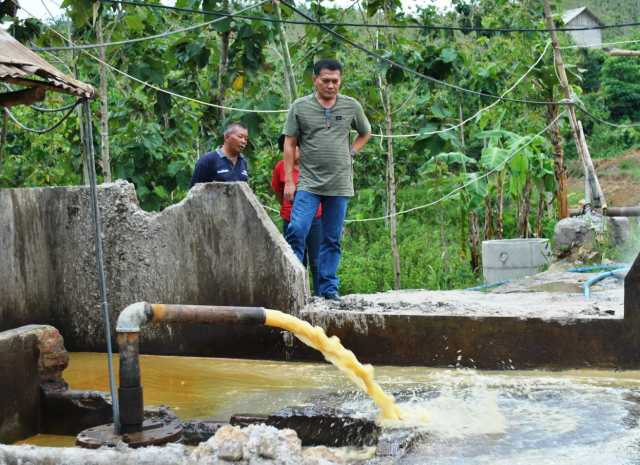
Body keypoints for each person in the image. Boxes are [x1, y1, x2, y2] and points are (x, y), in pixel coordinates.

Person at [282, 59, 372, 301]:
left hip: (340, 183)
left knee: (332, 238)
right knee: (297, 230)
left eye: (335, 81)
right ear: (315, 80)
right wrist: (290, 181)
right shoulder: (300, 107)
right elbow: (289, 143)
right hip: (308, 183)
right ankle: (293, 282)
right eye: (326, 81)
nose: (331, 85)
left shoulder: (351, 105)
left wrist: (351, 151)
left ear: (340, 81)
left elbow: (366, 132)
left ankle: (328, 289)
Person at [271, 135, 323, 296]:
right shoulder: (280, 168)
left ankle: (321, 294)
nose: (296, 150)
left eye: (298, 146)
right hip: (290, 219)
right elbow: (278, 192)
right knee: (296, 258)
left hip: (316, 218)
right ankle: (298, 294)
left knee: (317, 259)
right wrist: (287, 207)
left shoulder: (314, 167)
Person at [190, 123, 249, 187]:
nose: (244, 141)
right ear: (226, 137)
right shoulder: (207, 161)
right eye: (240, 137)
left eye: (246, 139)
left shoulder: (243, 162)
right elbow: (194, 190)